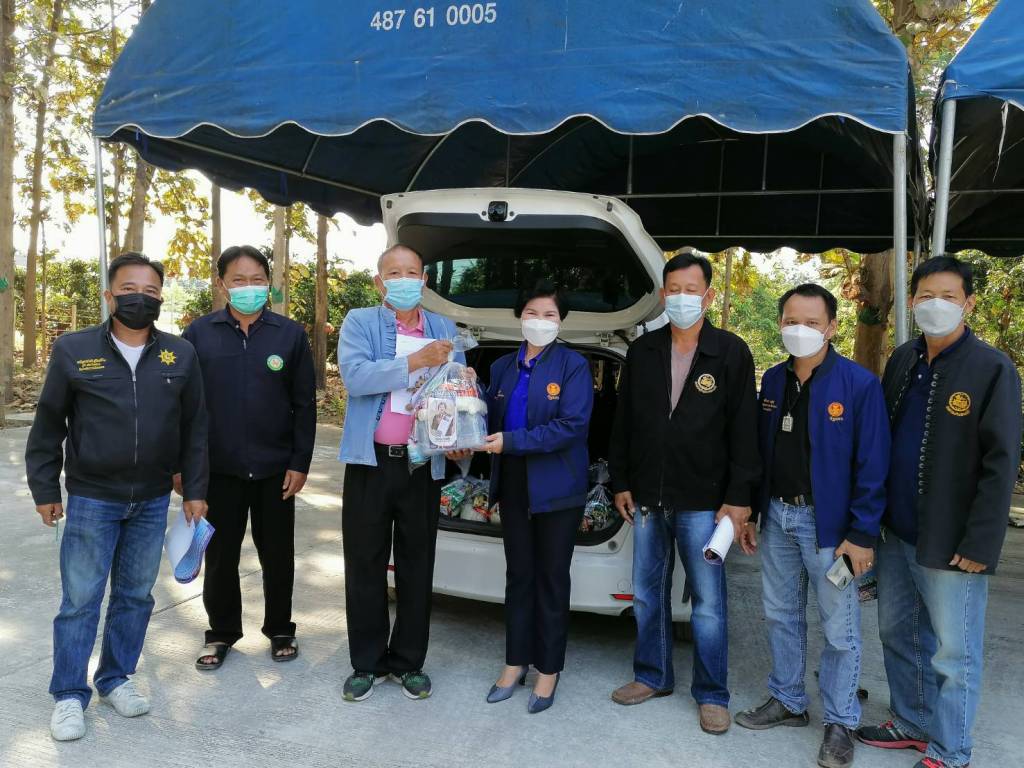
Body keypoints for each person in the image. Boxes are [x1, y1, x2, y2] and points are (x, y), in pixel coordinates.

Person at [25, 252, 209, 742]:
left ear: (161, 298)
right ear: (109, 296)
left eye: (150, 291)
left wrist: (196, 489)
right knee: (80, 600)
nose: (139, 299)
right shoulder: (74, 349)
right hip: (92, 498)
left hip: (152, 499)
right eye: (129, 290)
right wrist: (45, 487)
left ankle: (114, 678)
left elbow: (195, 428)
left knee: (135, 596)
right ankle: (69, 694)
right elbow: (49, 425)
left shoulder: (179, 354)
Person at [857, 257, 1022, 768]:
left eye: (948, 296)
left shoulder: (991, 368)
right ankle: (912, 721)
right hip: (896, 531)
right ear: (912, 301)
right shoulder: (904, 359)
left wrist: (981, 543)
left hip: (952, 538)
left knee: (955, 652)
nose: (936, 305)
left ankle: (952, 752)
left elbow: (1001, 463)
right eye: (926, 295)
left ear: (968, 303)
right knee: (898, 633)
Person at [734, 284, 890, 768]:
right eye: (790, 321)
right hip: (779, 516)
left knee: (839, 627)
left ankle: (840, 721)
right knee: (780, 614)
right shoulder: (773, 380)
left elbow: (874, 465)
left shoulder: (859, 385)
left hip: (832, 527)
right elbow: (761, 452)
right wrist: (753, 512)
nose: (799, 330)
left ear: (832, 327)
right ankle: (788, 700)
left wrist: (861, 535)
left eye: (811, 322)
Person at [608, 252, 761, 735]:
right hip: (648, 497)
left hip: (705, 502)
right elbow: (624, 422)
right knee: (647, 594)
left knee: (708, 604)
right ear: (662, 295)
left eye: (690, 290)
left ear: (708, 296)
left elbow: (745, 431)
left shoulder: (730, 352)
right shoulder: (643, 351)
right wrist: (621, 481)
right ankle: (652, 675)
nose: (681, 298)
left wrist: (739, 498)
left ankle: (712, 694)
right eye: (673, 289)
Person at [181, 245, 316, 670]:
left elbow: (304, 405)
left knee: (277, 554)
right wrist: (183, 468)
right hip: (219, 470)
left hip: (276, 469)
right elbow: (183, 406)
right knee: (220, 556)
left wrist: (300, 462)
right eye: (238, 280)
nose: (248, 287)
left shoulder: (289, 335)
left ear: (269, 284)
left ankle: (280, 628)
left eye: (257, 279)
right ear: (221, 284)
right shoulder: (198, 334)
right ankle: (221, 633)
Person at [337, 244, 462, 702]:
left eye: (412, 272)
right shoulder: (360, 323)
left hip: (422, 464)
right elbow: (356, 378)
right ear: (379, 282)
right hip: (371, 462)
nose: (404, 280)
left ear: (424, 280)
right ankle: (366, 663)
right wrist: (416, 361)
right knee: (365, 564)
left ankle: (409, 662)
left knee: (416, 564)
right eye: (394, 273)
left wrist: (460, 409)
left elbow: (457, 387)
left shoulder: (444, 328)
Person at [463, 279, 593, 714]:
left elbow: (571, 426)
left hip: (558, 488)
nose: (540, 321)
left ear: (561, 321)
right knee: (519, 576)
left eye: (549, 314)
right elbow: (486, 416)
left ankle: (548, 669)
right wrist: (468, 390)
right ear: (520, 317)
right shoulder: (503, 366)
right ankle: (515, 662)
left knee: (551, 579)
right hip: (515, 483)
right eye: (532, 313)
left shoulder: (573, 366)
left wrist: (512, 441)